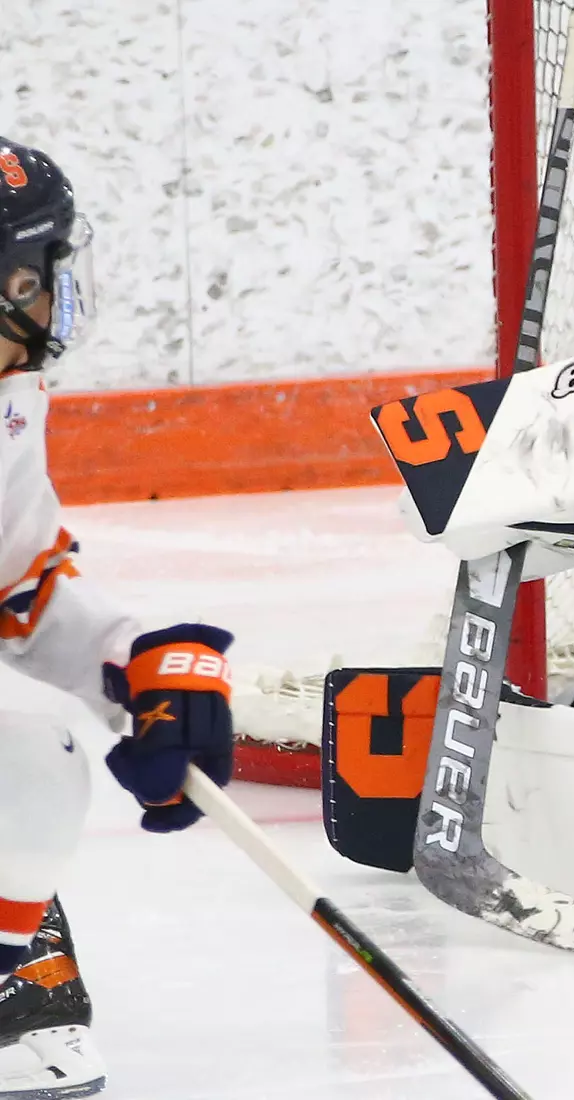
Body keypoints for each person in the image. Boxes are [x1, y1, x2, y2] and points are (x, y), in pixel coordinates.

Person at [0, 139, 238, 1097]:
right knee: (22, 773)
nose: (52, 299)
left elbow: (17, 589)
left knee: (28, 772)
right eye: (33, 277)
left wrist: (133, 659)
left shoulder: (7, 400)